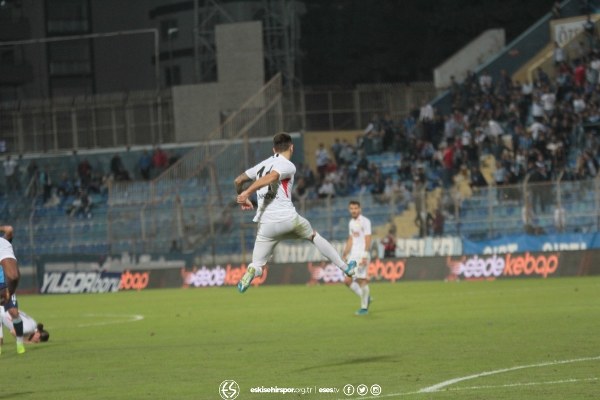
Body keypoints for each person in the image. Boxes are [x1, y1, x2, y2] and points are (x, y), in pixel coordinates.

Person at [234, 133, 357, 293]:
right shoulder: (288, 165)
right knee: (313, 236)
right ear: (291, 147)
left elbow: (238, 180)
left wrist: (242, 195)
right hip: (288, 220)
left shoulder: (261, 165)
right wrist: (247, 193)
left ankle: (251, 271)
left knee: (257, 265)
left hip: (266, 226)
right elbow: (273, 176)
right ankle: (346, 268)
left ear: (274, 149)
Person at [341, 200, 372, 316]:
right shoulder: (351, 223)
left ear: (360, 209)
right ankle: (366, 297)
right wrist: (345, 253)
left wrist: (365, 255)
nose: (353, 210)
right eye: (352, 209)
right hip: (353, 256)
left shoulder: (365, 221)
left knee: (361, 280)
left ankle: (364, 308)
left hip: (361, 255)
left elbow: (368, 238)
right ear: (349, 210)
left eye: (355, 208)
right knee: (347, 281)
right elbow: (351, 239)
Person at [0, 225, 25, 354]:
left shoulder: (3, 242)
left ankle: (20, 342)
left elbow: (9, 229)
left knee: (14, 312)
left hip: (6, 284)